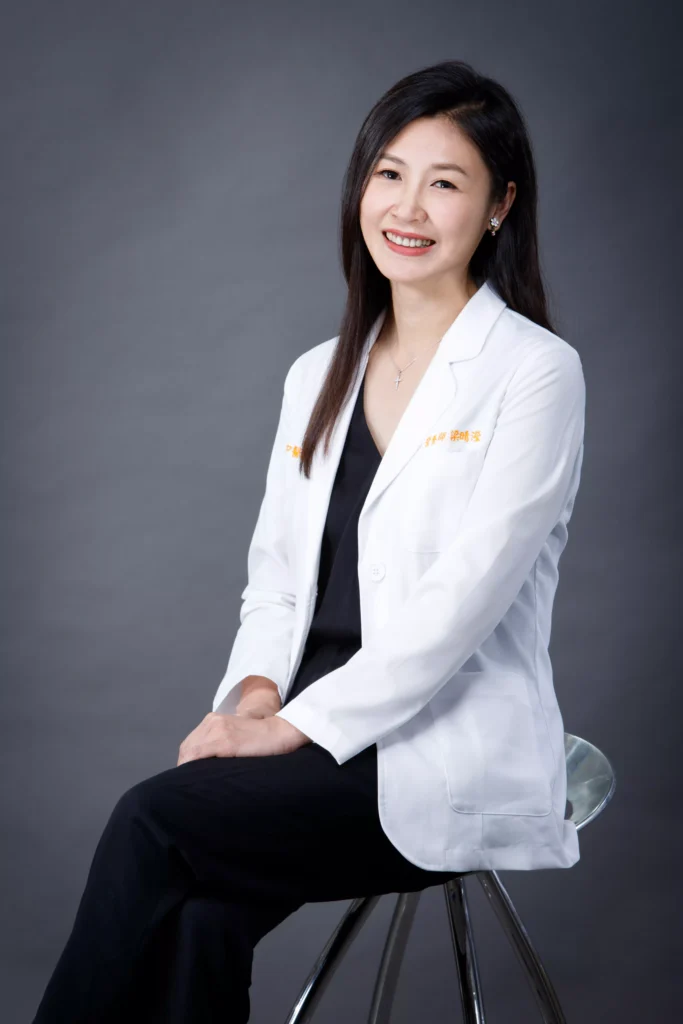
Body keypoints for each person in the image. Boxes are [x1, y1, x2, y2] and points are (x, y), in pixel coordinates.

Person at [32, 58, 586, 1023]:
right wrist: (256, 696)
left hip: (431, 750)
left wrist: (289, 730)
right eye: (388, 173)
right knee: (200, 921)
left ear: (499, 204)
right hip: (305, 739)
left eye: (443, 183)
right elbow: (277, 584)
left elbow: (460, 607)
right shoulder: (316, 375)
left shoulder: (534, 373)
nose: (406, 207)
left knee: (151, 820)